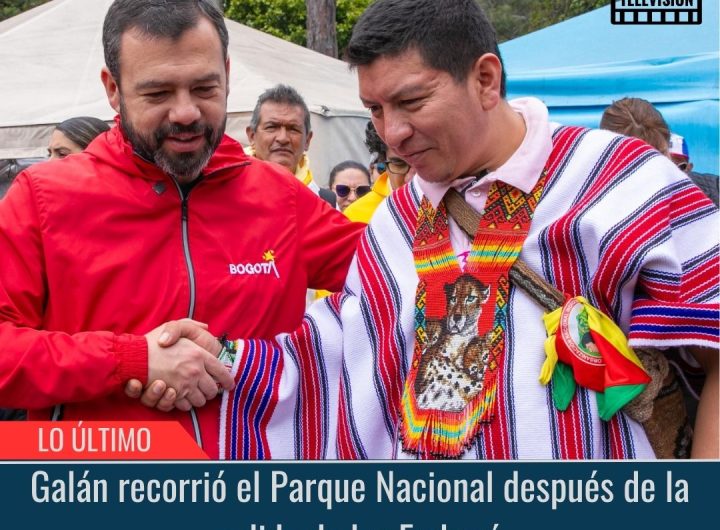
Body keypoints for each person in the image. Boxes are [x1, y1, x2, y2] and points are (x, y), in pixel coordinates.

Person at [141, 0, 718, 460]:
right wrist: (223, 361)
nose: (391, 133)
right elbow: (340, 353)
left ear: (486, 79)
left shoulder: (618, 181)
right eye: (373, 110)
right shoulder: (394, 219)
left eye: (411, 101)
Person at [0, 0, 362, 454]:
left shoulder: (282, 197)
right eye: (158, 94)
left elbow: (402, 288)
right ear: (113, 90)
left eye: (205, 88)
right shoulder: (43, 196)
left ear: (227, 75)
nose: (186, 112)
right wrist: (130, 361)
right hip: (94, 490)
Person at [246, 84, 336, 207]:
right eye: (272, 127)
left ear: (307, 141)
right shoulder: (227, 192)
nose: (283, 138)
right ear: (252, 136)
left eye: (293, 129)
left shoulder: (325, 203)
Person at [343, 121, 414, 224]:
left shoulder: (445, 203)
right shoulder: (355, 216)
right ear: (383, 162)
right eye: (400, 164)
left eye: (425, 162)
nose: (411, 177)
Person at [668, 133, 719, 206]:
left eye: (680, 167)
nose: (672, 173)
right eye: (666, 166)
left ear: (689, 168)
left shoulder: (715, 188)